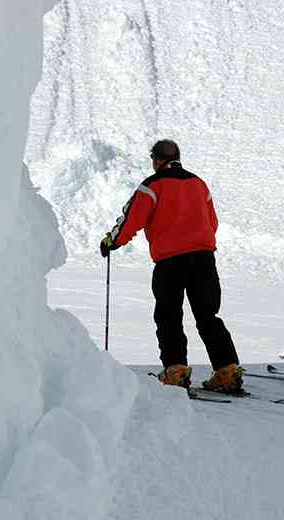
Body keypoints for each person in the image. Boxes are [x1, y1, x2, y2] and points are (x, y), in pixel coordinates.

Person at [100, 139, 243, 393]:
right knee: (208, 316)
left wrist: (112, 241)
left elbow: (130, 220)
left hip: (170, 261)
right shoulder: (198, 184)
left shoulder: (152, 186)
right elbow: (213, 222)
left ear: (157, 160)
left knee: (169, 316)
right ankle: (227, 370)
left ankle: (175, 371)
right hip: (204, 258)